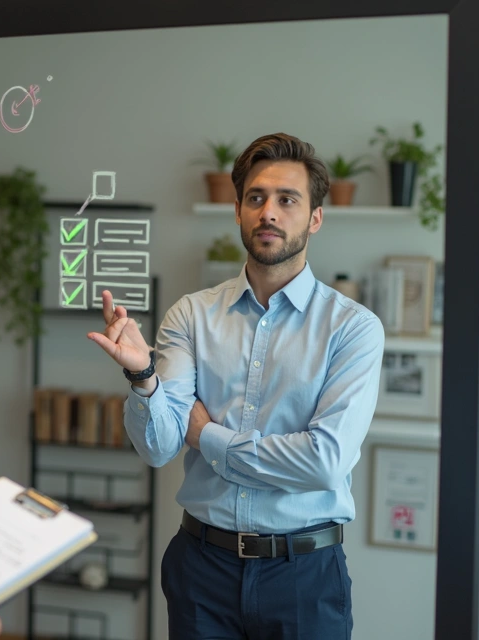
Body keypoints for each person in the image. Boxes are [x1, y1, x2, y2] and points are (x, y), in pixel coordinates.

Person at [87, 133, 385, 639]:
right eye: (256, 198)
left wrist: (207, 437)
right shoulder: (191, 315)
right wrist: (143, 377)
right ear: (239, 210)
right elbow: (158, 446)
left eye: (287, 200)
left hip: (304, 576)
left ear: (315, 218)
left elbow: (324, 461)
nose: (268, 211)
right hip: (202, 569)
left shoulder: (353, 328)